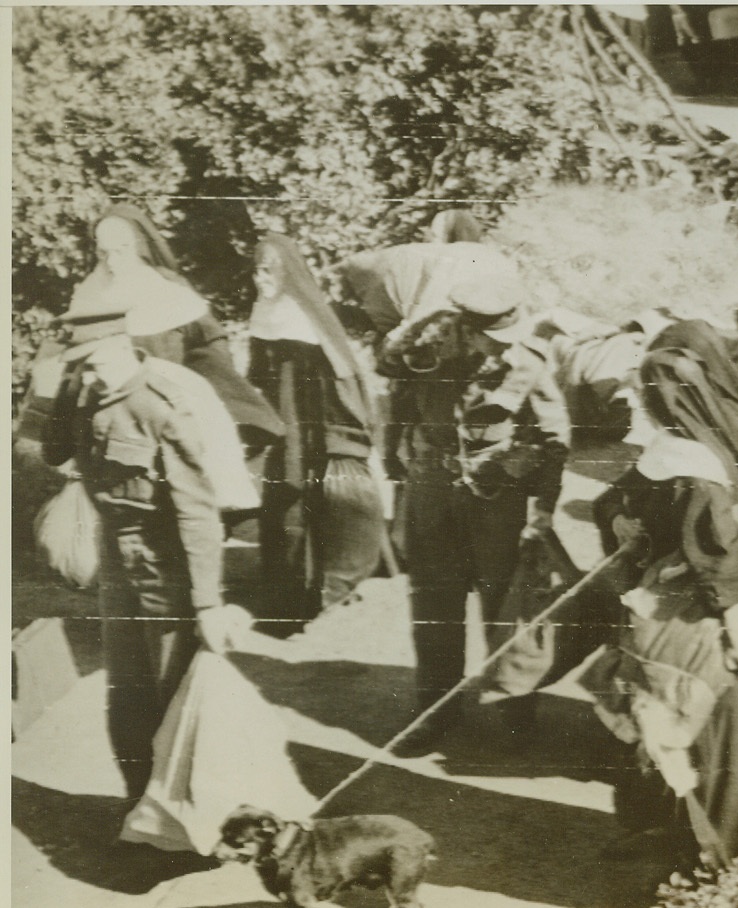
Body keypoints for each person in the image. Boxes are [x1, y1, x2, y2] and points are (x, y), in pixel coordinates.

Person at [589, 320, 738, 874]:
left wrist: (735, 632)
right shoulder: (733, 430)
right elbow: (616, 500)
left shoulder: (688, 462)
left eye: (646, 393)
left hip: (701, 634)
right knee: (722, 752)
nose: (638, 401)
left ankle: (711, 864)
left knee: (690, 740)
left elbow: (722, 555)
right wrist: (619, 521)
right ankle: (725, 853)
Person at [42, 299, 246, 802]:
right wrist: (65, 388)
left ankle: (184, 818)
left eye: (93, 361)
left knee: (171, 694)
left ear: (121, 345)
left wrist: (207, 604)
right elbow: (53, 451)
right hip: (117, 560)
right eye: (80, 364)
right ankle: (140, 809)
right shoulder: (87, 396)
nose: (88, 372)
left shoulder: (161, 403)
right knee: (126, 694)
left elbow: (198, 510)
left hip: (165, 567)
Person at [378, 267, 571, 751]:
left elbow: (555, 438)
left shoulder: (528, 359)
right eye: (489, 336)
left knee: (503, 606)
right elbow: (396, 395)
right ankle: (434, 712)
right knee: (433, 607)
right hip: (433, 493)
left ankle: (512, 709)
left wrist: (542, 506)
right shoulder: (428, 350)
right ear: (466, 325)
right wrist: (398, 465)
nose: (499, 345)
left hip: (497, 499)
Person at [248, 233, 385, 620]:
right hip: (280, 426)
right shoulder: (264, 310)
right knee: (277, 505)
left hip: (313, 430)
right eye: (257, 270)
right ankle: (282, 594)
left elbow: (341, 381)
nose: (261, 279)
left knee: (310, 504)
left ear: (287, 272)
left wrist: (338, 437)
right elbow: (258, 374)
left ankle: (312, 597)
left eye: (269, 270)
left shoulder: (306, 317)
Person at [88, 204, 284, 450]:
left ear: (141, 245)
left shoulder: (169, 288)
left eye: (122, 249)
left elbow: (211, 344)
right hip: (115, 417)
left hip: (175, 410)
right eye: (103, 252)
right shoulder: (94, 295)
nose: (112, 261)